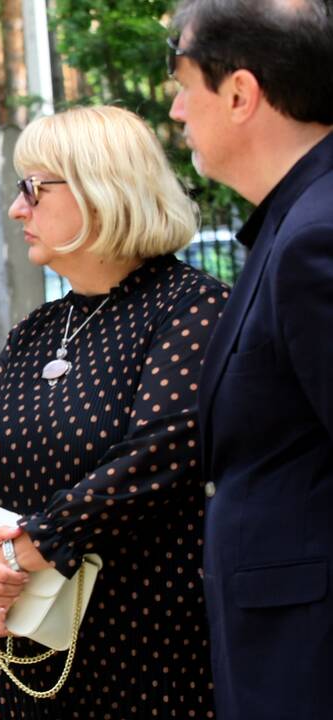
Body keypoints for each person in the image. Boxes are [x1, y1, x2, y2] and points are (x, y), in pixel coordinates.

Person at [0, 105, 225, 717]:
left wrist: (15, 557)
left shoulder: (192, 308)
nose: (17, 209)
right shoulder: (37, 329)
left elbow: (157, 459)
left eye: (33, 189)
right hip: (37, 650)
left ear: (102, 189)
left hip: (153, 652)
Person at [168, 1, 333, 716]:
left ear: (238, 93)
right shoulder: (292, 220)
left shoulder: (315, 235)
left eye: (181, 82)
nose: (175, 110)